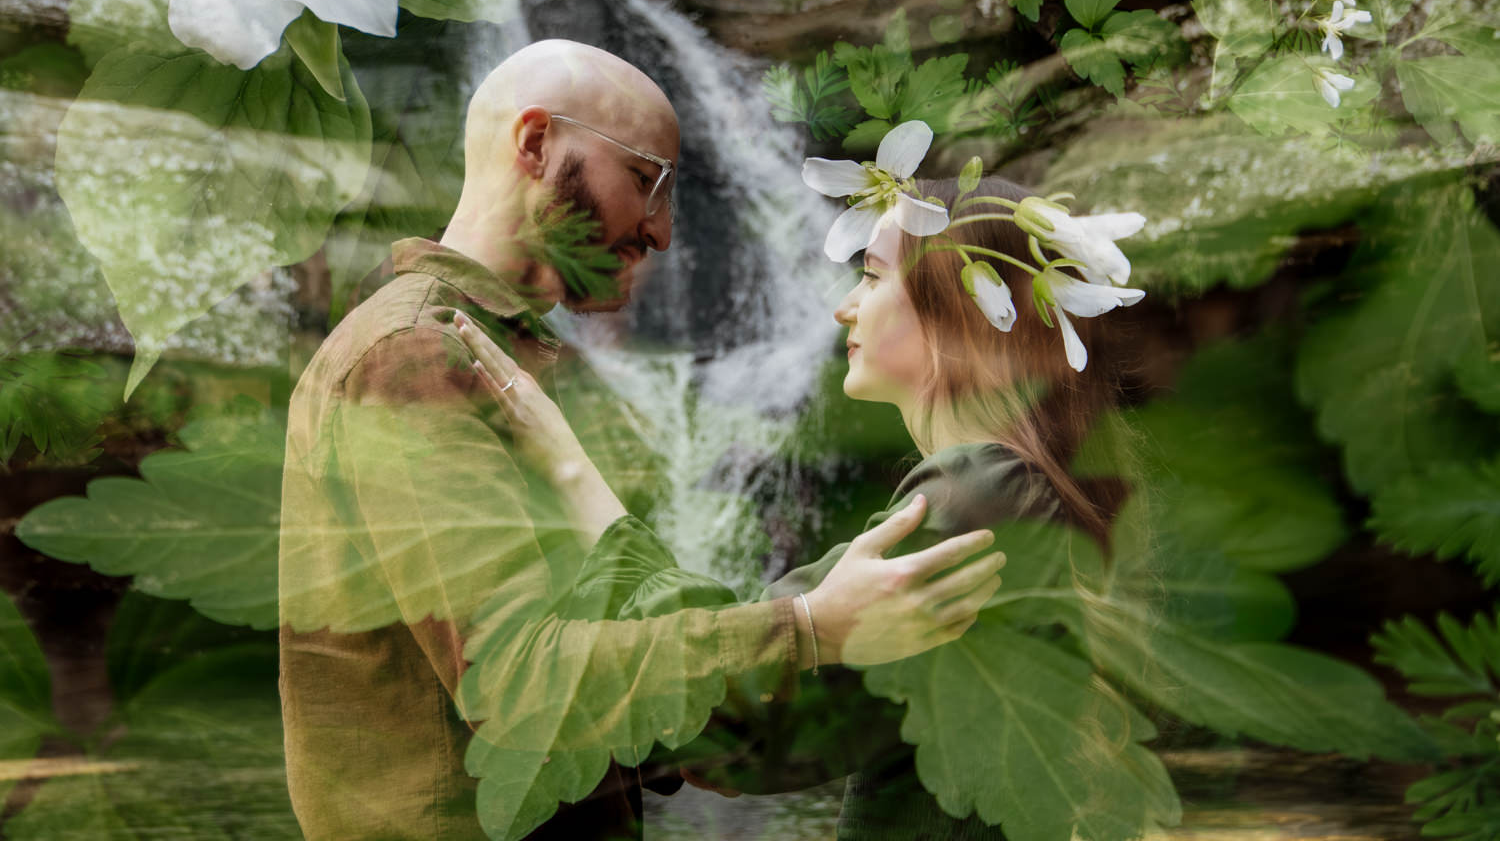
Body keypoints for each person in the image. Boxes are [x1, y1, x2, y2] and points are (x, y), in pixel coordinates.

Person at [277, 41, 1007, 841]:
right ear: (533, 144)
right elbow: (519, 685)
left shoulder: (495, 355)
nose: (660, 231)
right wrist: (805, 627)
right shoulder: (414, 356)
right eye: (645, 180)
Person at [464, 165, 1144, 838]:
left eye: (873, 276)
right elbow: (771, 722)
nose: (844, 306)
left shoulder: (976, 499)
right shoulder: (1000, 492)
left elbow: (731, 725)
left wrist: (571, 471)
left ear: (961, 310)